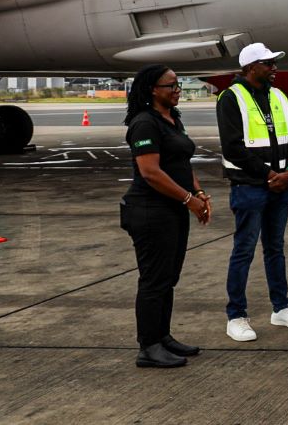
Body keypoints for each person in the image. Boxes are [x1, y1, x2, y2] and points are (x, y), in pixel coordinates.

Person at [119, 64, 211, 368]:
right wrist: (188, 199)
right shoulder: (145, 124)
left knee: (168, 278)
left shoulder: (172, 119)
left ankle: (163, 336)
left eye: (178, 85)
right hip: (150, 211)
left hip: (172, 209)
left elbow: (181, 162)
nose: (176, 90)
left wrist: (196, 193)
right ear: (151, 90)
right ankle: (148, 346)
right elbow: (150, 172)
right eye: (170, 86)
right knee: (154, 280)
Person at [218, 43, 288, 343]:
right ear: (251, 67)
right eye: (268, 63)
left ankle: (281, 307)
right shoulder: (231, 98)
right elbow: (233, 147)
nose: (274, 68)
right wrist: (270, 175)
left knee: (275, 249)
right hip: (249, 187)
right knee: (243, 250)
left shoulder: (279, 96)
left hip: (280, 186)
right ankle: (236, 316)